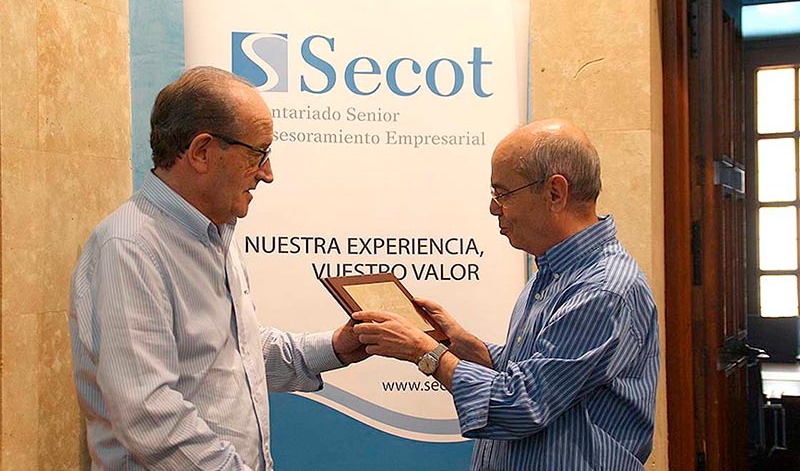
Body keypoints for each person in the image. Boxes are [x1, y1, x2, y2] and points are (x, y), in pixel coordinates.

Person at [70, 66, 366, 470]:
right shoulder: (129, 248)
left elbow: (236, 354)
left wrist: (336, 347)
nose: (267, 174)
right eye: (257, 155)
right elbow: (150, 416)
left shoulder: (216, 233)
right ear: (202, 152)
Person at [353, 119, 659, 470]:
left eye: (503, 194)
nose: (493, 208)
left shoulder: (601, 290)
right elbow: (538, 373)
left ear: (554, 193)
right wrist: (464, 346)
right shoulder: (555, 271)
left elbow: (520, 403)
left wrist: (425, 352)